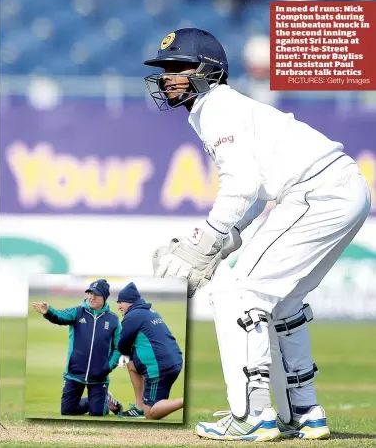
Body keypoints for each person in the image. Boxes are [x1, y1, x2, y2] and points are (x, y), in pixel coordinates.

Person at [144, 28, 371, 440]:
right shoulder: (216, 109)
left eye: (178, 68)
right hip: (338, 189)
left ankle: (254, 414)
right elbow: (255, 189)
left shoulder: (217, 107)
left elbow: (241, 184)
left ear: (209, 71)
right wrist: (230, 236)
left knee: (235, 292)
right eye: (164, 69)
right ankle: (303, 412)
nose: (167, 77)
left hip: (315, 193)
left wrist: (209, 237)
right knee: (283, 301)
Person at [32, 279, 123, 417]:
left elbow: (119, 348)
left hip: (99, 377)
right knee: (67, 411)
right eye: (90, 293)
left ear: (104, 297)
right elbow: (60, 316)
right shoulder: (77, 312)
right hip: (74, 374)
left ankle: (102, 402)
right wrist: (48, 311)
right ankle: (102, 398)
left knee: (97, 413)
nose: (91, 297)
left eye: (96, 295)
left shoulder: (113, 320)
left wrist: (107, 367)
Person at [116, 282, 184, 420]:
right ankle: (139, 407)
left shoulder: (132, 316)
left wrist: (124, 353)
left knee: (151, 413)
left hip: (158, 368)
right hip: (173, 362)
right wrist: (129, 356)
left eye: (120, 302)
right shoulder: (149, 311)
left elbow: (123, 344)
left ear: (129, 302)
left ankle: (184, 401)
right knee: (131, 365)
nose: (118, 306)